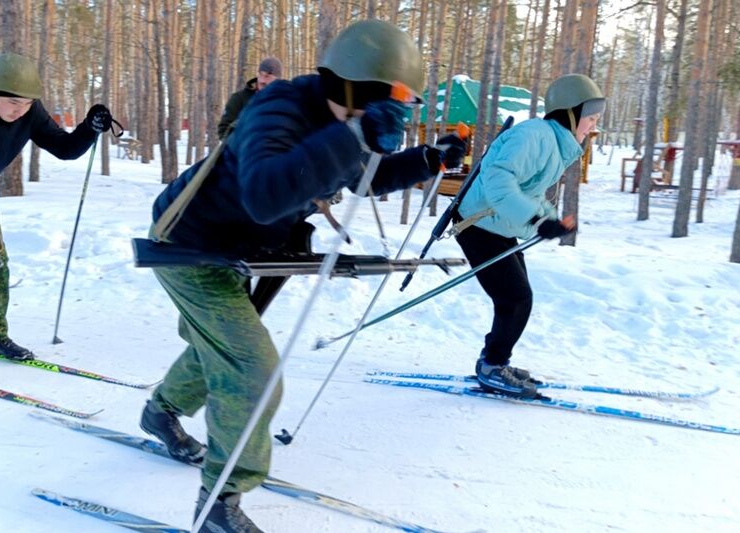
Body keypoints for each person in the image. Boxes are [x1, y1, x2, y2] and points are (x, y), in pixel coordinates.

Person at [140, 20, 465, 533]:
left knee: (222, 345)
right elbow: (266, 194)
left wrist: (428, 160)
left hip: (243, 249)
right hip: (189, 244)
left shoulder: (338, 120)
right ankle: (218, 503)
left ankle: (161, 412)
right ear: (354, 87)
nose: (397, 113)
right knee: (251, 367)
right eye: (391, 102)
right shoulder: (279, 107)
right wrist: (353, 133)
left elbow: (361, 177)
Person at [0, 52, 114, 383]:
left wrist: (89, 129)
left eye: (26, 103)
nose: (20, 109)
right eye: (13, 102)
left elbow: (64, 148)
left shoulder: (29, 111)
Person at [455, 73, 605, 398]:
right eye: (589, 118)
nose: (592, 127)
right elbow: (498, 181)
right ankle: (493, 366)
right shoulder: (534, 136)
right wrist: (537, 221)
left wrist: (551, 221)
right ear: (569, 113)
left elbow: (531, 192)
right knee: (516, 298)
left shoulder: (552, 142)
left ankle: (494, 361)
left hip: (496, 225)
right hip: (478, 226)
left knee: (515, 297)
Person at [217, 57, 283, 140]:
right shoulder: (239, 99)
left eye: (267, 76)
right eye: (260, 74)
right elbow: (223, 132)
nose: (262, 80)